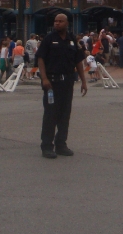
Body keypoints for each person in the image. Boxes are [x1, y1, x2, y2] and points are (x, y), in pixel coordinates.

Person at [36, 13, 87, 159]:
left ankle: (61, 144)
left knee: (65, 114)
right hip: (52, 83)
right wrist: (44, 78)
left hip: (67, 82)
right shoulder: (49, 39)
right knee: (51, 114)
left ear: (67, 23)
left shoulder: (72, 39)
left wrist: (83, 81)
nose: (57, 23)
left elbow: (78, 61)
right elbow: (41, 59)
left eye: (60, 21)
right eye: (55, 21)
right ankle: (47, 146)